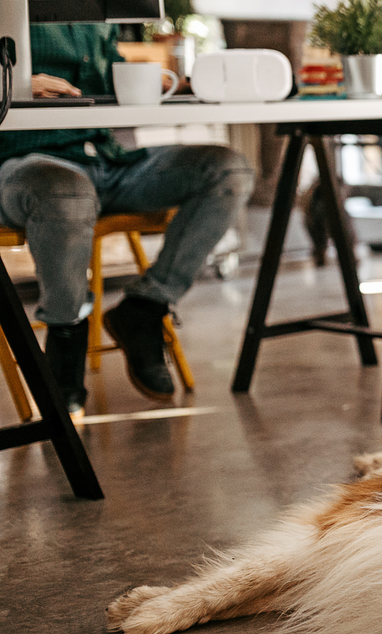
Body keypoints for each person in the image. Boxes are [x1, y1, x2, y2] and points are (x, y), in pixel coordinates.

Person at [0, 23, 255, 414]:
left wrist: (172, 88)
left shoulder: (95, 16)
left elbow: (115, 82)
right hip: (24, 167)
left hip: (108, 161)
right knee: (66, 191)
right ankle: (66, 338)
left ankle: (145, 308)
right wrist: (11, 84)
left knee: (227, 170)